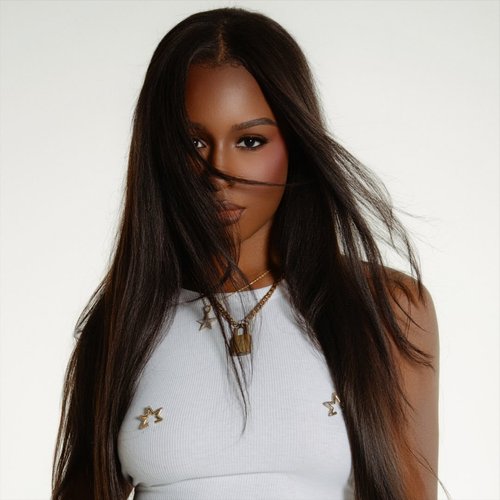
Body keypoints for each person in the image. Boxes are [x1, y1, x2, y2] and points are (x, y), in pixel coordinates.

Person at [51, 7, 439, 500]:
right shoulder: (122, 323)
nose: (219, 173)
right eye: (193, 142)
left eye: (250, 140)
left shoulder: (387, 308)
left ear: (293, 143)